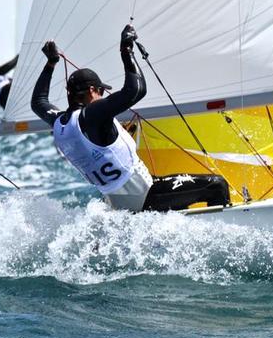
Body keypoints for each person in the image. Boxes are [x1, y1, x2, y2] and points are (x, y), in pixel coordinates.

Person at [32, 25, 230, 212]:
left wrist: (50, 64)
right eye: (101, 91)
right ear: (92, 91)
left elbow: (38, 102)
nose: (102, 96)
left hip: (119, 205)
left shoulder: (59, 124)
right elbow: (136, 90)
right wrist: (126, 50)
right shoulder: (92, 114)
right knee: (217, 186)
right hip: (147, 195)